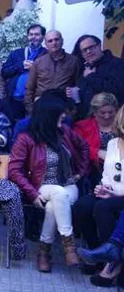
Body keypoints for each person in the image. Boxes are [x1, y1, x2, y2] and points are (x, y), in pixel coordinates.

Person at [9, 95, 89, 272]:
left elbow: (84, 147)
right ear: (48, 115)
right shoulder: (26, 139)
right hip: (41, 186)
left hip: (68, 185)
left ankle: (44, 251)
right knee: (57, 195)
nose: (64, 117)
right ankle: (69, 245)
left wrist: (80, 172)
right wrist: (32, 193)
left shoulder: (66, 132)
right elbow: (14, 170)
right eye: (60, 114)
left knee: (55, 204)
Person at [73, 103, 124, 283]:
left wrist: (113, 194)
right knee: (82, 206)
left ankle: (112, 260)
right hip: (112, 193)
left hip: (120, 196)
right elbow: (108, 173)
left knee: (104, 207)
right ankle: (98, 252)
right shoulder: (112, 143)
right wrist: (103, 187)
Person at [25, 30, 80, 115]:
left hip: (63, 106)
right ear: (46, 45)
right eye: (50, 41)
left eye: (56, 39)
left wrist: (73, 109)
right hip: (41, 105)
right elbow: (29, 88)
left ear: (62, 41)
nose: (54, 43)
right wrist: (31, 110)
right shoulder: (39, 62)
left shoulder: (73, 61)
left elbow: (78, 86)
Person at [1, 24, 47, 123]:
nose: (33, 37)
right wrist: (20, 65)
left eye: (37, 34)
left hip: (35, 100)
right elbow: (4, 72)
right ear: (27, 36)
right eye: (31, 34)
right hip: (14, 99)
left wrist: (35, 68)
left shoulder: (47, 55)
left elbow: (49, 75)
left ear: (43, 37)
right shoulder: (16, 53)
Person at [72, 34, 124, 118]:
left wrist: (91, 76)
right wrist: (74, 94)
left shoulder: (118, 64)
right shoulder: (84, 68)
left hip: (109, 119)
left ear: (99, 45)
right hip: (86, 121)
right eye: (84, 50)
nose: (88, 52)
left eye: (91, 47)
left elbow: (117, 90)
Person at [73, 93, 119, 185]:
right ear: (94, 112)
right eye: (102, 113)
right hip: (94, 170)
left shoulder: (121, 124)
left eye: (111, 112)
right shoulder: (82, 126)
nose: (107, 116)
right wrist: (98, 153)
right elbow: (77, 147)